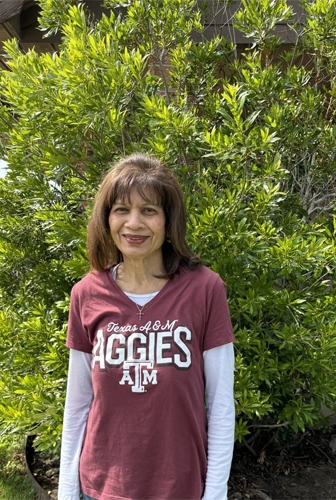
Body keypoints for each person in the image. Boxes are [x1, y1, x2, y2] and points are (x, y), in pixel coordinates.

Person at [58, 153, 235, 500]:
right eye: (121, 209)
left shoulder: (204, 289)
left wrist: (215, 493)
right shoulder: (86, 294)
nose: (133, 223)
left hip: (181, 487)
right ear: (106, 218)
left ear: (169, 221)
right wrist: (67, 491)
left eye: (149, 210)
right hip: (102, 488)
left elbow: (220, 403)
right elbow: (78, 404)